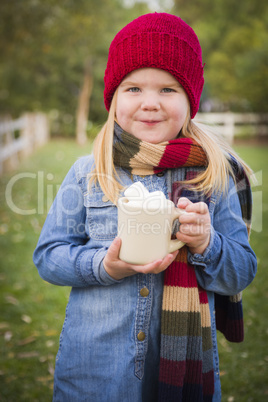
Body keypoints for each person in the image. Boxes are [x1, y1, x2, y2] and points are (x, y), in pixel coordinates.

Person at [33, 12, 257, 402]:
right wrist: (105, 266)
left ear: (191, 99)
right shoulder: (88, 172)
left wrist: (207, 243)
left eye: (168, 89)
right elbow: (49, 256)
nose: (150, 103)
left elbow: (241, 272)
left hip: (180, 376)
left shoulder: (214, 174)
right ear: (114, 98)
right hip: (95, 371)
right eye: (133, 88)